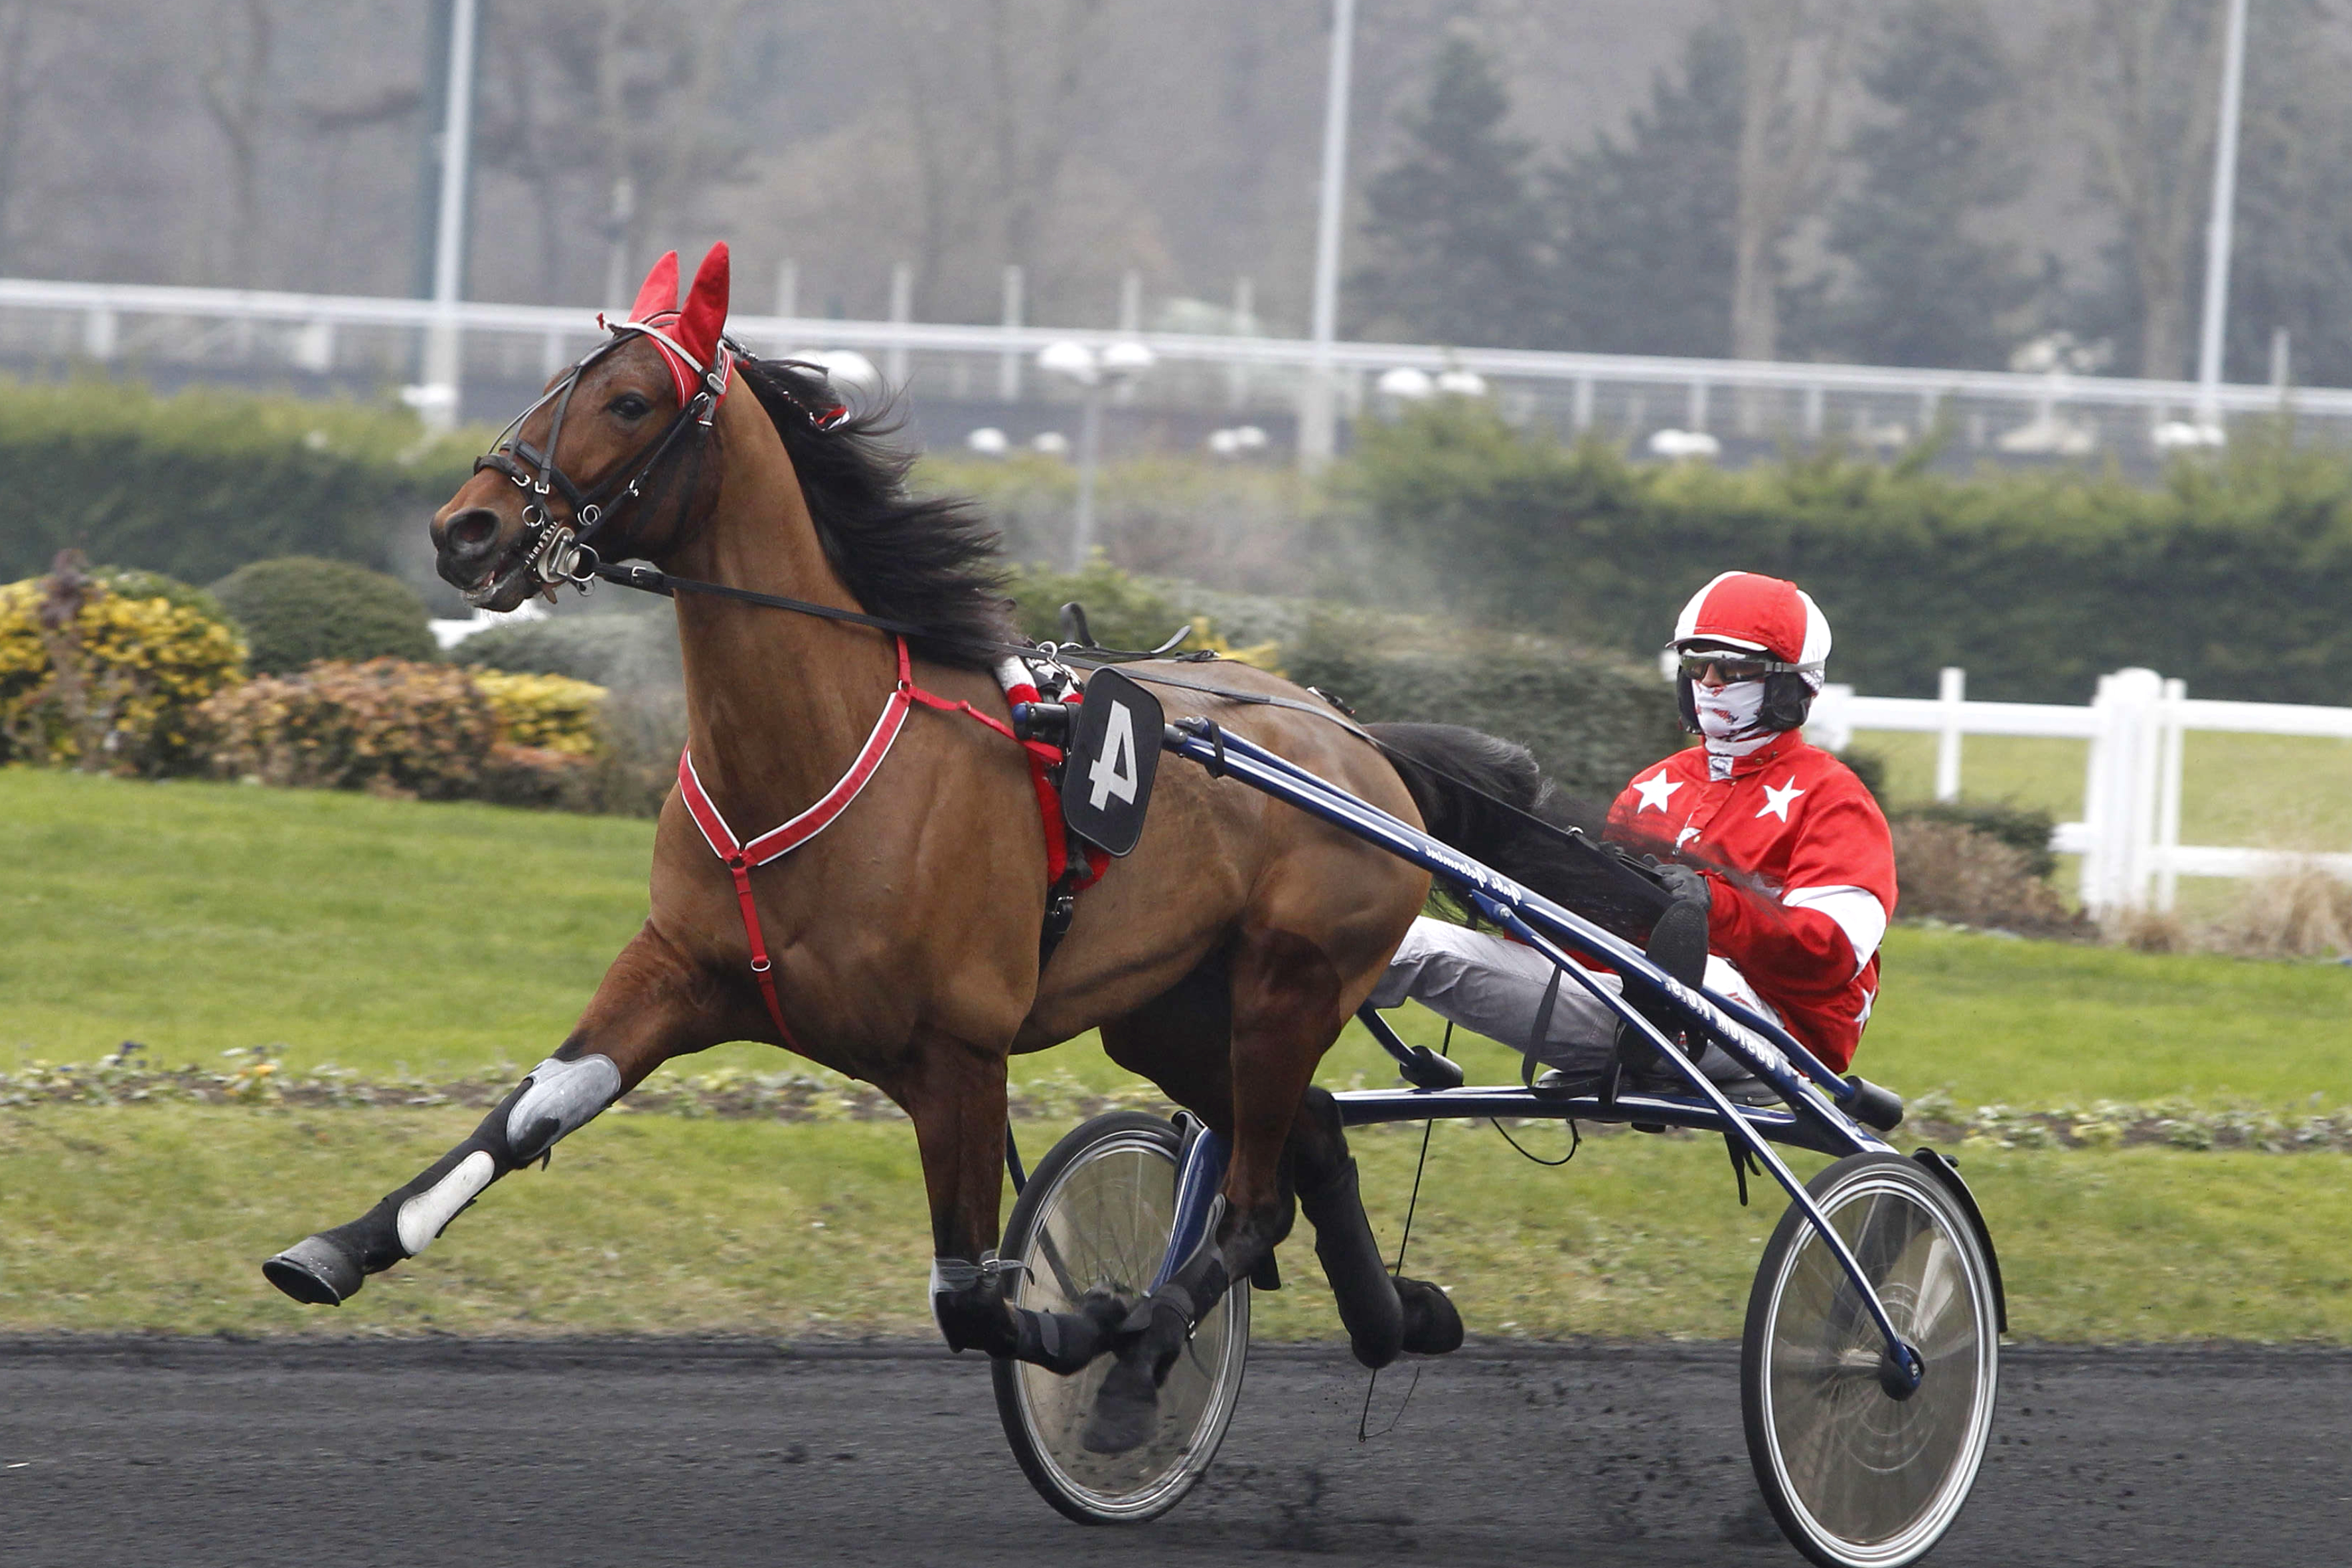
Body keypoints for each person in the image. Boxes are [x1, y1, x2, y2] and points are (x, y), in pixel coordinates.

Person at [1368, 570, 1897, 1089]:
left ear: (1791, 681)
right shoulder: (1656, 783)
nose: (1708, 681)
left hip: (1772, 1028)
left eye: (1733, 668)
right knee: (1404, 940)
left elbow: (1835, 954)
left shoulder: (1833, 796)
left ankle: (1635, 1043)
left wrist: (1712, 907)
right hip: (1642, 994)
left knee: (1686, 975)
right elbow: (1605, 934)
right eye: (1696, 663)